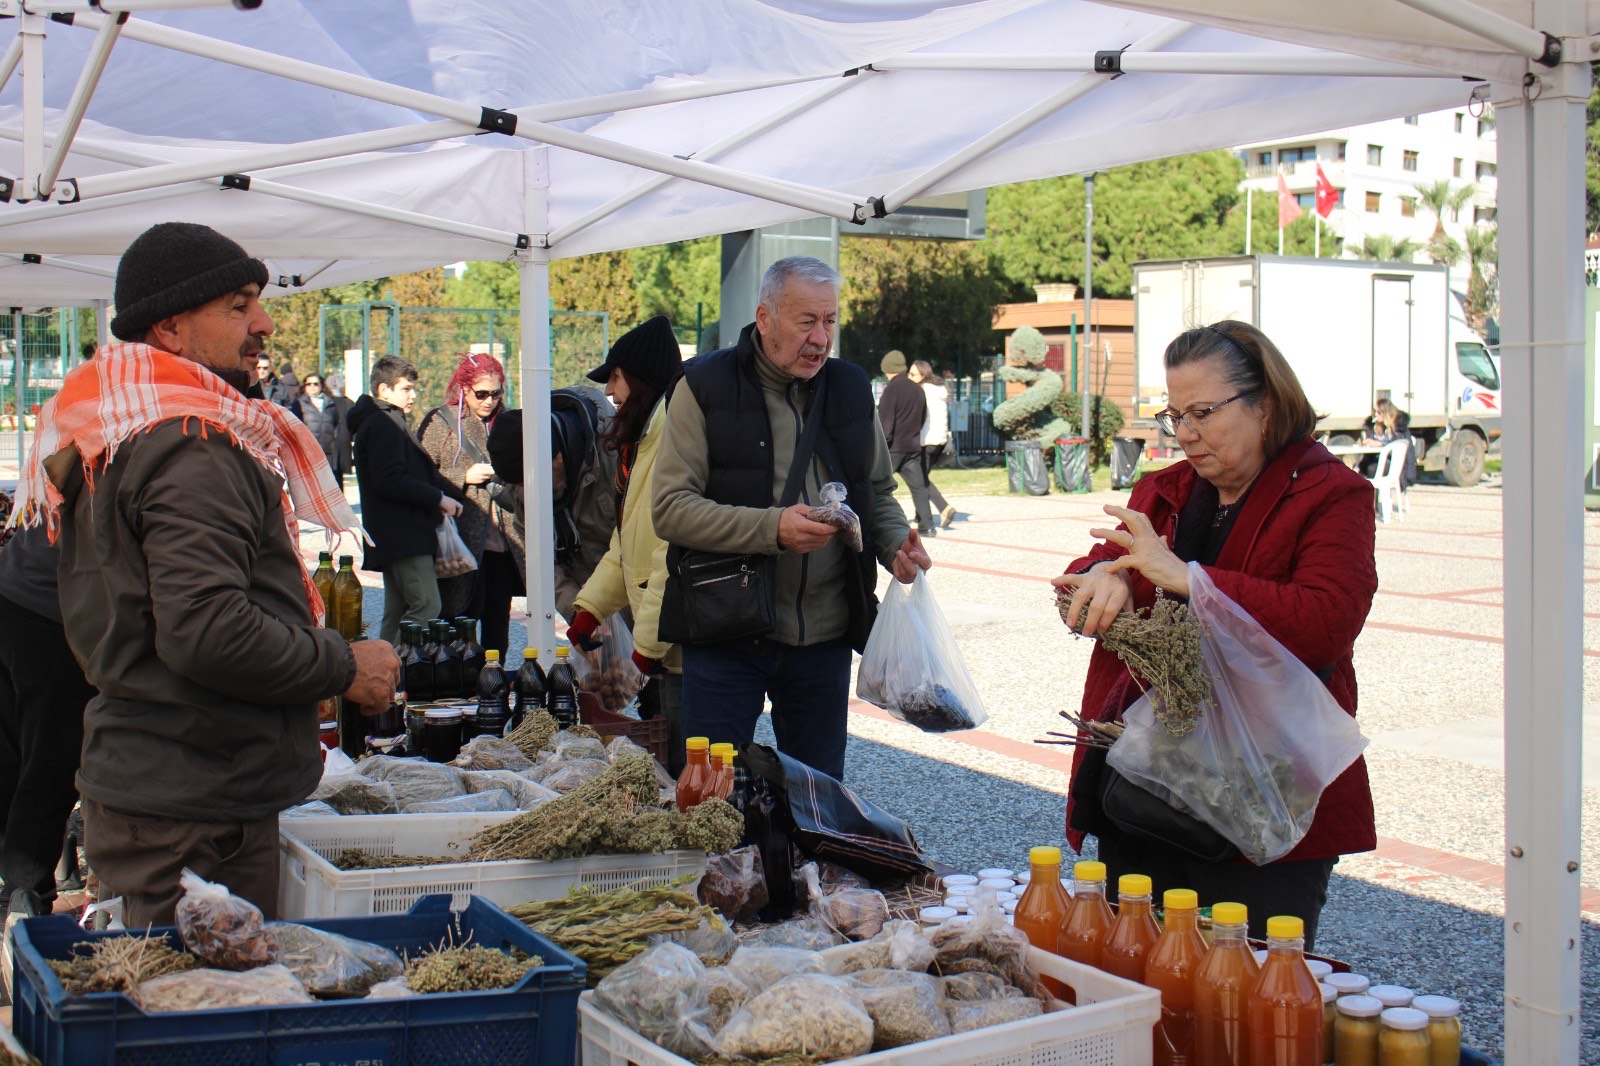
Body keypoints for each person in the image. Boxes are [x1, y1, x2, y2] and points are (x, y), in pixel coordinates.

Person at [8, 222, 400, 924]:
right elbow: (207, 630)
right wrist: (340, 664)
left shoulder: (127, 425)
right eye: (238, 304)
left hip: (172, 784)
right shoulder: (192, 445)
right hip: (190, 803)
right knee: (202, 1018)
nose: (264, 322)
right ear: (170, 328)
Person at [1052, 320, 1377, 949]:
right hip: (1145, 788)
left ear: (1266, 405)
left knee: (1246, 995)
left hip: (1264, 796)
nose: (1186, 434)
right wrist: (1104, 578)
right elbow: (1080, 579)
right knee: (1136, 973)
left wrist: (1187, 578)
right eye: (1174, 415)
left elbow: (1326, 623)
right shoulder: (1165, 491)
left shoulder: (1332, 494)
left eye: (1203, 412)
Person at [653, 256, 931, 779]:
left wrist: (895, 544)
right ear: (764, 318)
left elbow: (876, 490)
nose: (821, 338)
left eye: (830, 321)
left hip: (823, 638)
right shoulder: (703, 385)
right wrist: (771, 529)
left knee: (818, 799)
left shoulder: (849, 388)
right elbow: (670, 509)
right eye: (806, 321)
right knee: (712, 795)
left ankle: (801, 866)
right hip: (725, 632)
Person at [565, 317, 687, 771]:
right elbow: (626, 540)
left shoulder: (672, 440)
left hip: (681, 649)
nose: (611, 393)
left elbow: (669, 552)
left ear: (640, 377)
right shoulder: (645, 440)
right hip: (665, 647)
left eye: (615, 378)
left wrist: (647, 646)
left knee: (686, 773)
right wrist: (590, 608)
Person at [0, 514, 94, 923]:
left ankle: (25, 884)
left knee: (17, 752)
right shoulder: (128, 453)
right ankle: (27, 895)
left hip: (16, 583)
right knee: (48, 762)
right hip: (50, 608)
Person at [350, 356, 466, 644]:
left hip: (395, 534)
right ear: (383, 390)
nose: (413, 395)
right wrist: (438, 498)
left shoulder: (384, 420)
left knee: (397, 611)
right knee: (426, 607)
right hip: (403, 535)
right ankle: (396, 673)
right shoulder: (382, 424)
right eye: (406, 389)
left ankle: (386, 682)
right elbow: (389, 479)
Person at [417, 353, 524, 655]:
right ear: (464, 390)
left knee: (497, 622)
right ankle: (457, 685)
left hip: (505, 541)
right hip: (460, 540)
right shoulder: (441, 422)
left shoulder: (508, 421)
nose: (489, 400)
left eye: (496, 393)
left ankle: (493, 684)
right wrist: (462, 475)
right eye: (481, 394)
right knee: (457, 618)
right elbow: (421, 473)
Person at [485, 386, 620, 621]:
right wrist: (579, 613)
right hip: (589, 608)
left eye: (532, 479)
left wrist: (601, 601)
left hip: (635, 602)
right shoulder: (523, 487)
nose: (529, 490)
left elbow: (638, 550)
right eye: (520, 483)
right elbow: (542, 563)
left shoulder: (613, 453)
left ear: (556, 456)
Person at [877, 349, 936, 537]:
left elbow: (885, 424)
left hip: (893, 449)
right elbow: (923, 416)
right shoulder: (918, 389)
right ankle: (927, 525)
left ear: (887, 369)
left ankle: (866, 519)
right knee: (919, 487)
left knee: (876, 486)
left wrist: (879, 446)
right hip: (913, 446)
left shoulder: (891, 390)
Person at [909, 359, 957, 528]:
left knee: (919, 480)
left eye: (913, 374)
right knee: (922, 478)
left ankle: (943, 507)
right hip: (940, 440)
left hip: (925, 440)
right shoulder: (939, 390)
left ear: (923, 375)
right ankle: (920, 515)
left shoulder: (922, 390)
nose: (909, 377)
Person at [291, 370, 353, 487]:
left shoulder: (330, 403)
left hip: (328, 451)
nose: (312, 387)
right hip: (308, 451)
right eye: (309, 384)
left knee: (331, 486)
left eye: (316, 384)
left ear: (321, 385)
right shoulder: (299, 403)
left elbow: (335, 423)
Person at [1361, 397, 1418, 487]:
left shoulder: (1399, 427)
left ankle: (1376, 498)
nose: (1375, 415)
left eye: (1378, 412)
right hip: (1380, 460)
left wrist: (1380, 444)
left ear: (1386, 413)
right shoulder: (1376, 426)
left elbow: (1397, 445)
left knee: (1371, 469)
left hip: (1399, 467)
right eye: (1375, 412)